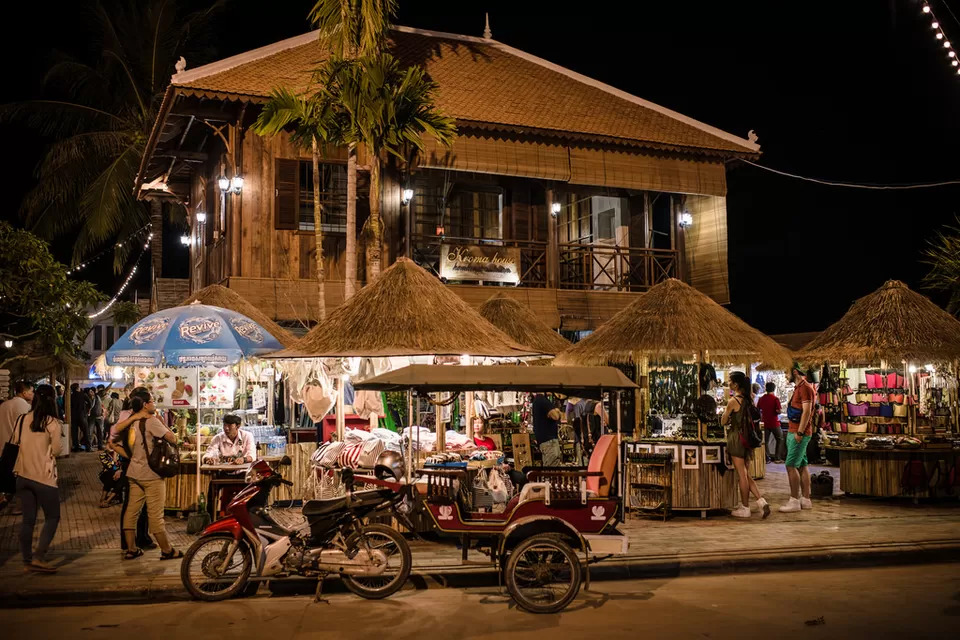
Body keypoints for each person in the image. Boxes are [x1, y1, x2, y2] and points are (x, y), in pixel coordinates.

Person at [110, 389, 182, 560]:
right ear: (145, 405)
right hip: (151, 475)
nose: (154, 404)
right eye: (152, 401)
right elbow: (173, 439)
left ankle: (131, 549)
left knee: (131, 512)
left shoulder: (130, 422)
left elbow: (115, 443)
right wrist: (160, 421)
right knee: (156, 515)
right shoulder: (151, 421)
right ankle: (167, 550)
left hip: (134, 473)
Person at [13, 384, 63, 572]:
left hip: (23, 475)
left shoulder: (22, 419)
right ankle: (39, 556)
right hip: (44, 477)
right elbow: (58, 450)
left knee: (28, 520)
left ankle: (27, 560)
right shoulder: (52, 423)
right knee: (52, 516)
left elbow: (15, 443)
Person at [721, 371, 770, 519]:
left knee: (741, 475)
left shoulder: (733, 401)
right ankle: (761, 502)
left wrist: (726, 415)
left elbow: (723, 421)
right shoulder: (749, 400)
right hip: (748, 440)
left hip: (737, 439)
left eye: (730, 381)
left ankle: (745, 507)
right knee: (747, 474)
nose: (728, 383)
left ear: (736, 384)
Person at [780, 364, 816, 513]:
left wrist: (800, 433)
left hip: (799, 432)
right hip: (794, 430)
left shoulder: (805, 388)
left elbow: (806, 412)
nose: (784, 375)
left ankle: (794, 499)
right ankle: (806, 499)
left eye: (786, 371)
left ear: (794, 371)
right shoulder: (799, 388)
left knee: (790, 465)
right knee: (802, 464)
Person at [1, 381, 34, 515]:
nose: (33, 395)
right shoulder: (25, 407)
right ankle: (18, 507)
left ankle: (3, 498)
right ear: (24, 392)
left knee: (3, 476)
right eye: (31, 392)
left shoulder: (4, 405)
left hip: (3, 445)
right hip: (18, 446)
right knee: (20, 477)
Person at [532, 393, 562, 467]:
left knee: (549, 468)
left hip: (545, 441)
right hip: (549, 441)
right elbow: (556, 416)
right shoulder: (542, 400)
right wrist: (556, 411)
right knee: (552, 470)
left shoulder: (538, 400)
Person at [757, 382, 784, 463]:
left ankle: (767, 458)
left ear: (766, 389)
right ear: (774, 389)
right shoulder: (775, 399)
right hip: (774, 422)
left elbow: (758, 409)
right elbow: (779, 411)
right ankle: (777, 458)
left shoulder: (761, 399)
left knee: (765, 441)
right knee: (780, 439)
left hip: (764, 422)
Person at [70, 383, 91, 452]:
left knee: (75, 432)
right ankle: (88, 447)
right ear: (78, 388)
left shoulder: (71, 396)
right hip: (82, 415)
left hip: (73, 416)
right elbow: (90, 403)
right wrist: (86, 410)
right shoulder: (83, 394)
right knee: (85, 432)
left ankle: (76, 447)